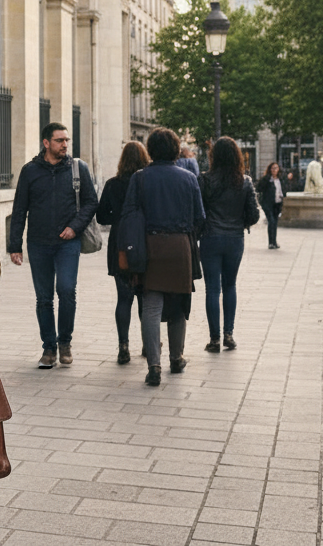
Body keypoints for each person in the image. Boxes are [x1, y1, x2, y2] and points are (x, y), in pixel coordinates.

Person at [7, 122, 99, 369]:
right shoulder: (30, 171)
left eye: (66, 140)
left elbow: (91, 202)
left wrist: (75, 227)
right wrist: (14, 245)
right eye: (59, 140)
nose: (65, 145)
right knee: (44, 298)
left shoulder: (78, 168)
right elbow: (19, 210)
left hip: (68, 243)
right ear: (46, 143)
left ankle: (65, 342)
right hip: (38, 244)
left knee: (67, 291)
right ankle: (48, 348)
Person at [118, 127, 204, 387]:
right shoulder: (189, 178)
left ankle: (153, 365)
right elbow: (200, 218)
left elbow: (129, 215)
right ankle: (176, 358)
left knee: (152, 307)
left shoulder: (140, 177)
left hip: (150, 246)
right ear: (176, 149)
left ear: (152, 150)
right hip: (180, 247)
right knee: (178, 308)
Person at [198, 137, 259, 352]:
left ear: (214, 157)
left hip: (210, 238)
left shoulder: (204, 180)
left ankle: (214, 339)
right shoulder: (244, 182)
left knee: (212, 289)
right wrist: (240, 221)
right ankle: (228, 334)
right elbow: (253, 215)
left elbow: (198, 212)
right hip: (234, 239)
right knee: (230, 285)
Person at [96, 141, 150, 364]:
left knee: (124, 298)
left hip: (120, 242)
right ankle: (148, 344)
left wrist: (119, 219)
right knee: (145, 298)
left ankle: (123, 346)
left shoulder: (112, 184)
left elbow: (101, 217)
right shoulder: (147, 182)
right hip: (145, 241)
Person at [256, 161, 286, 249]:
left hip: (277, 203)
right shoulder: (267, 179)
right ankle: (271, 243)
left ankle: (274, 242)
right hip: (268, 203)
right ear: (270, 169)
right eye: (273, 168)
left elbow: (284, 188)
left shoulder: (279, 179)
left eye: (276, 168)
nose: (274, 170)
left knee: (275, 222)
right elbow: (259, 188)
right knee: (271, 221)